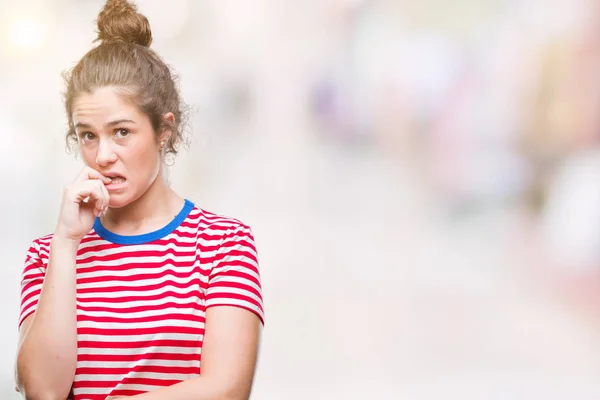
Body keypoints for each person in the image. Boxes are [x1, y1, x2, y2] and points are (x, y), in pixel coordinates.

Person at [14, 1, 264, 399]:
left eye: (122, 132)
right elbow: (43, 391)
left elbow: (226, 388)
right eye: (88, 135)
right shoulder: (48, 256)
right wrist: (65, 243)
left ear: (164, 130)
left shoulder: (223, 244)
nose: (103, 155)